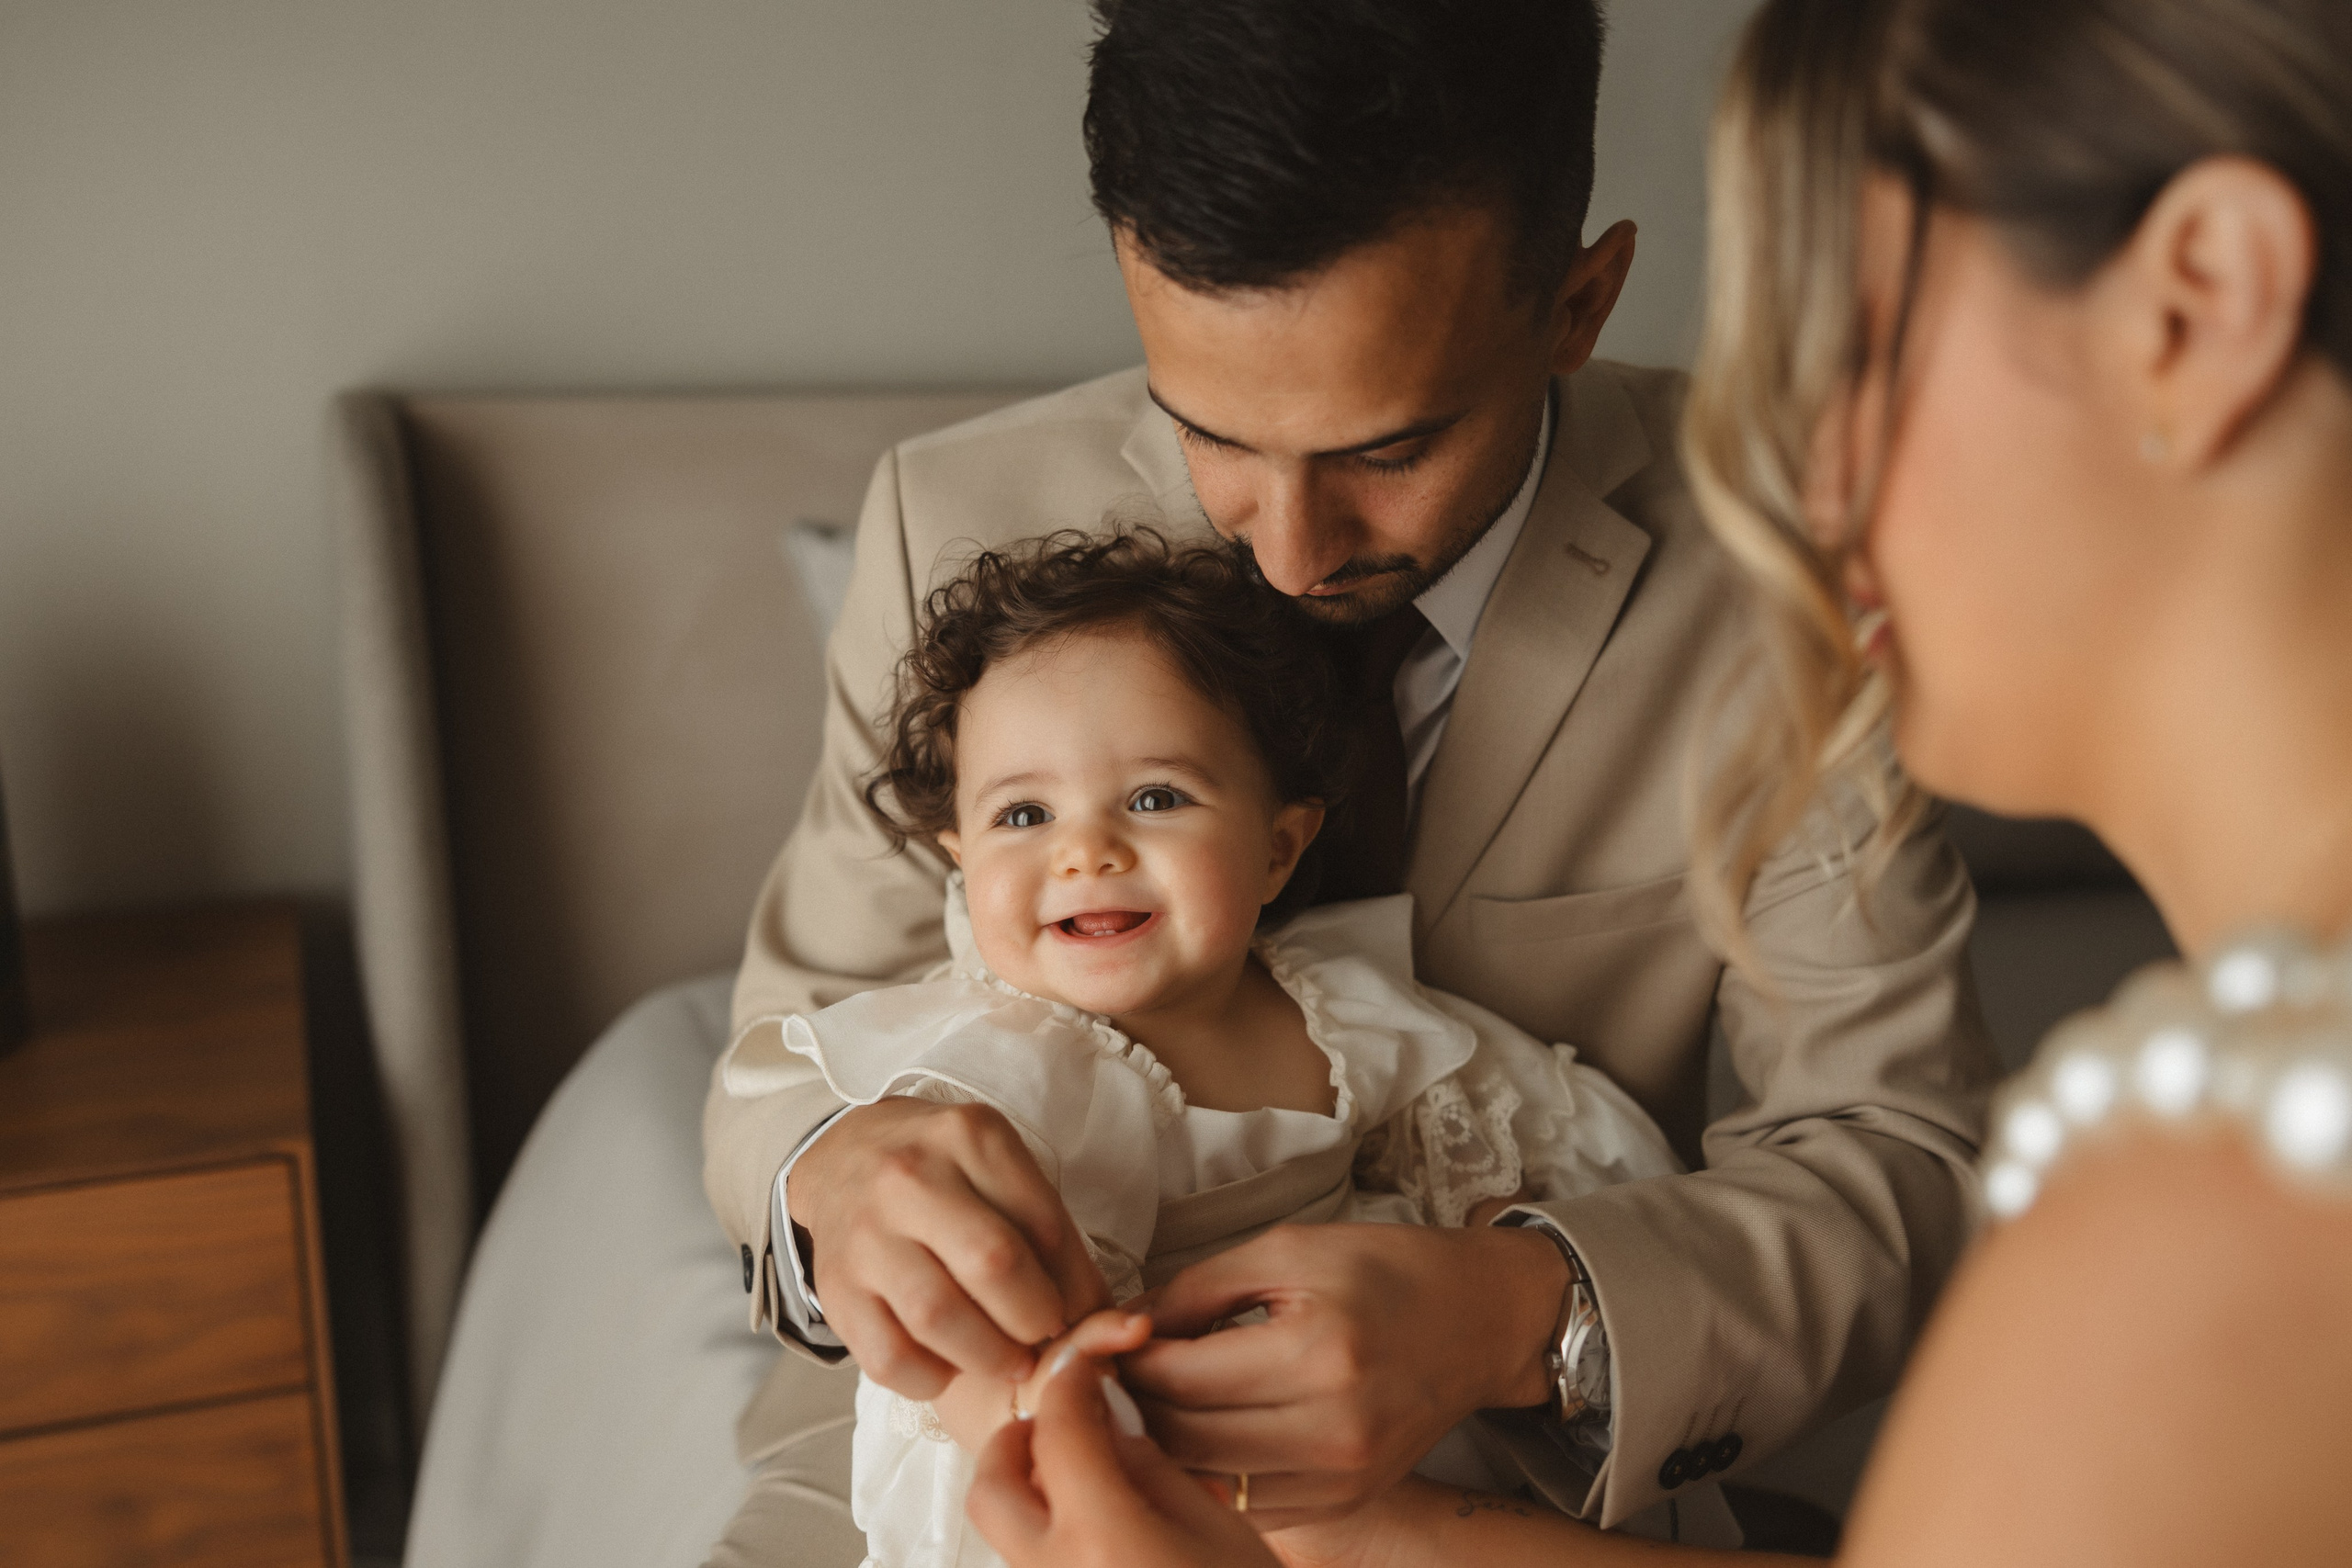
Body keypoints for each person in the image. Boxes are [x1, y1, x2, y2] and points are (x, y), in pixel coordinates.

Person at [959, 0, 2352, 1562]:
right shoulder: (2229, 1157)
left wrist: (1502, 1324)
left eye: (1848, 344)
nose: (1786, 485)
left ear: (2202, 301)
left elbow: (1894, 1144)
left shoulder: (2222, 1228)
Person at [702, 2, 1996, 1561]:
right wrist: (829, 1174)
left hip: (1512, 1471)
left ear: (1578, 302)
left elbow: (1900, 1147)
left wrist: (1523, 1313)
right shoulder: (944, 519)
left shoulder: (1776, 568)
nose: (1286, 551)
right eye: (1211, 434)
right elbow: (783, 1046)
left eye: (1393, 447)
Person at [726, 529, 1682, 1567]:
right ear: (958, 857)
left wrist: (1489, 1230)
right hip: (1108, 1476)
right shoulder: (1007, 1065)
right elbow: (973, 1333)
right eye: (1023, 813)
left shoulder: (1331, 1006)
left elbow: (1473, 1125)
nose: (1086, 849)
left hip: (1353, 1409)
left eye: (1154, 798)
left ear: (1277, 845)